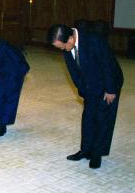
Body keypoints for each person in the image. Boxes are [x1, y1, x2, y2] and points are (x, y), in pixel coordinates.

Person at [48, 24, 123, 169]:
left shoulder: (94, 40)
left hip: (108, 82)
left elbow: (107, 65)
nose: (62, 50)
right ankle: (85, 150)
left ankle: (97, 153)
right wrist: (83, 90)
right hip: (90, 85)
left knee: (103, 117)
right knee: (88, 116)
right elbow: (74, 72)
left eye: (62, 46)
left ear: (70, 38)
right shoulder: (67, 45)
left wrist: (111, 90)